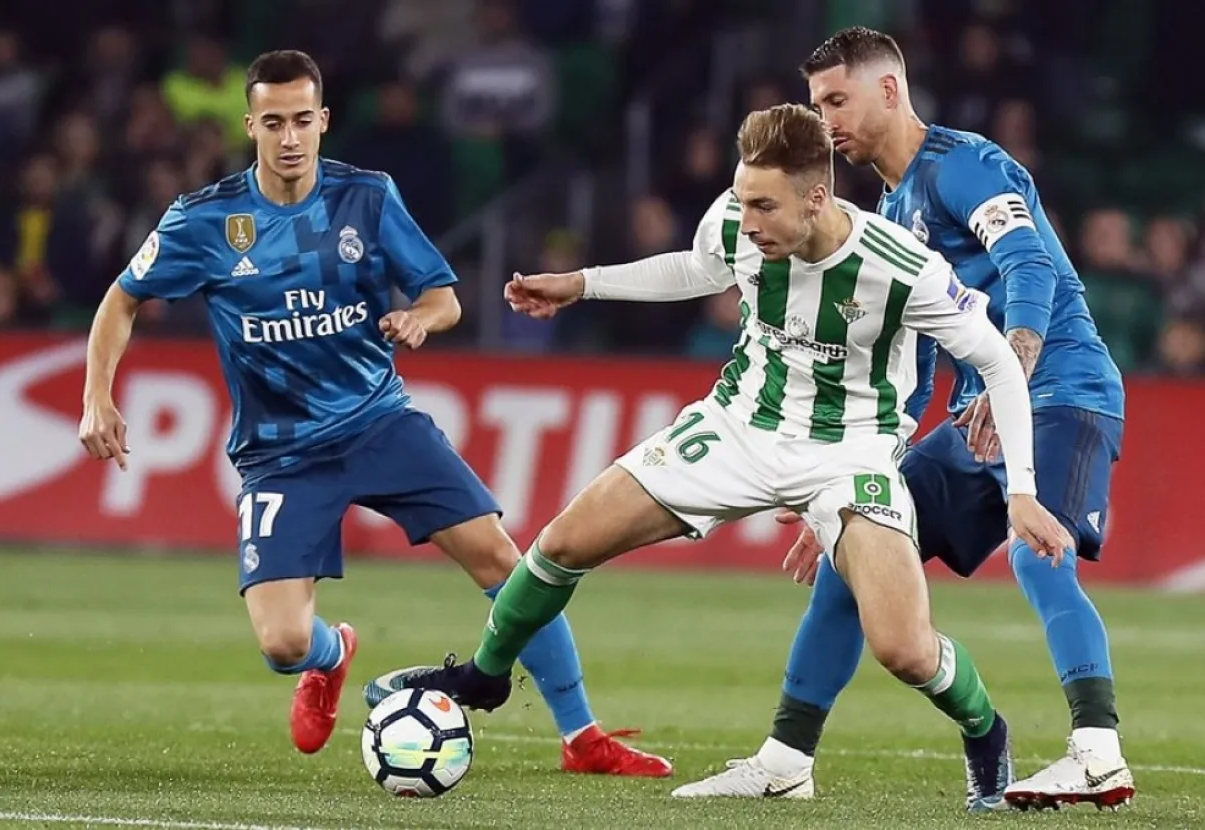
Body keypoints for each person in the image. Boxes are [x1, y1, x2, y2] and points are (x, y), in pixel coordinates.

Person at [366, 103, 1073, 811]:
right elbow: (695, 269)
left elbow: (998, 363)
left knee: (904, 648)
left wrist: (1021, 492)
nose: (748, 219)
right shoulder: (737, 220)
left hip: (850, 450)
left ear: (816, 197)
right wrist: (581, 283)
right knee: (561, 544)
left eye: (765, 206)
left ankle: (985, 730)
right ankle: (486, 675)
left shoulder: (902, 267)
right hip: (738, 425)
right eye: (742, 198)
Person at [77, 49, 670, 777]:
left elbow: (444, 298)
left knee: (505, 560)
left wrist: (420, 319)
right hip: (281, 451)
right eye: (273, 123)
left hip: (378, 421)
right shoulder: (205, 219)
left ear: (324, 120)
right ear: (250, 126)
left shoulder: (367, 197)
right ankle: (332, 656)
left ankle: (583, 737)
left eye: (302, 120)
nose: (289, 137)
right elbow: (123, 298)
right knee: (283, 645)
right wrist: (97, 394)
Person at [675, 27, 1133, 812]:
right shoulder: (889, 214)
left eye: (836, 100)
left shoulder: (966, 166)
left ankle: (1097, 754)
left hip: (1061, 392)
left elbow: (1030, 265)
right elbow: (906, 372)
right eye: (816, 105)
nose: (823, 122)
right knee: (850, 552)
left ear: (889, 90)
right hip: (971, 420)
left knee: (1037, 552)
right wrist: (853, 479)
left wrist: (1015, 369)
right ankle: (785, 760)